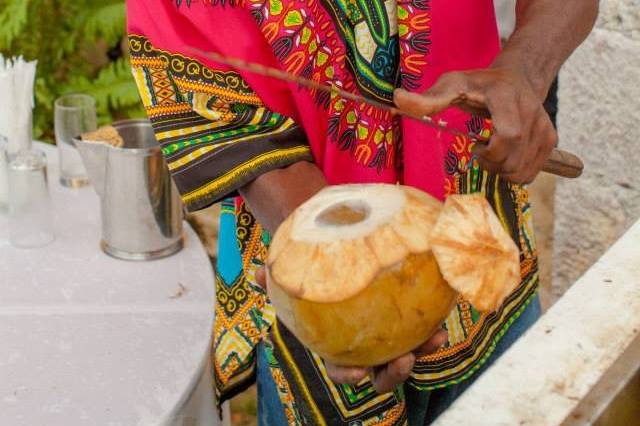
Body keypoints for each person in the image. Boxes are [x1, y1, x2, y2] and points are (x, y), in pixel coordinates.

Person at [127, 1, 597, 424]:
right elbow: (184, 62)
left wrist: (524, 72)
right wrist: (342, 278)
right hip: (324, 296)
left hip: (482, 250)